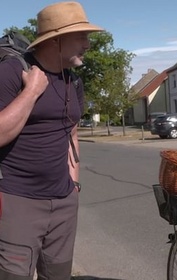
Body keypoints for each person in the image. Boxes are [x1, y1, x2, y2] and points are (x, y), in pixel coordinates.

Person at [0, 2, 103, 279]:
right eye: (81, 36)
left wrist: (74, 184)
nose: (87, 44)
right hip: (17, 202)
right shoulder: (12, 72)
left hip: (63, 203)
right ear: (56, 39)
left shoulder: (75, 81)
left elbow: (71, 132)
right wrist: (31, 92)